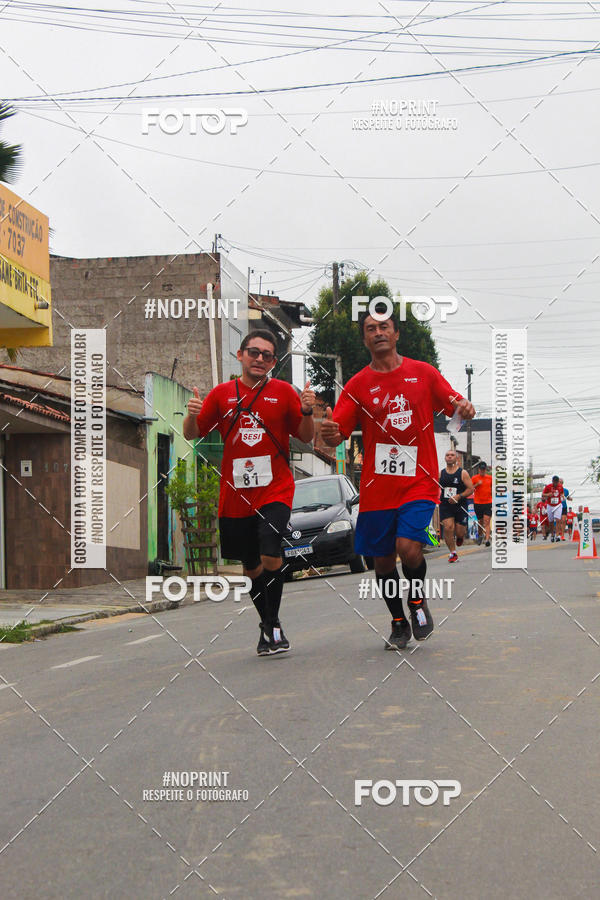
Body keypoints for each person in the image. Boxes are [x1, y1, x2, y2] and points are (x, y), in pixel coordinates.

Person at [320, 307, 475, 650]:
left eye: (384, 327)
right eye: (370, 328)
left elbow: (456, 405)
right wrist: (329, 432)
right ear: (365, 338)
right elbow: (337, 433)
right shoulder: (357, 384)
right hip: (377, 487)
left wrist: (464, 407)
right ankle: (397, 620)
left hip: (418, 482)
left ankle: (417, 601)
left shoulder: (423, 373)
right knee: (382, 560)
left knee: (408, 547)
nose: (378, 332)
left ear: (396, 334)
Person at [183, 329, 316, 656]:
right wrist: (190, 412)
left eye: (267, 355)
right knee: (251, 565)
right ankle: (270, 626)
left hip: (276, 489)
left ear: (273, 362)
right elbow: (193, 433)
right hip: (236, 495)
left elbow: (305, 436)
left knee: (272, 551)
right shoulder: (221, 394)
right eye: (254, 353)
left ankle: (271, 626)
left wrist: (309, 411)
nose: (259, 359)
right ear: (241, 355)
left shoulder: (284, 393)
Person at [439, 450, 474, 563]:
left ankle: (460, 537)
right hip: (445, 505)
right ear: (445, 458)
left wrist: (459, 496)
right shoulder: (441, 473)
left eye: (452, 455)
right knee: (448, 527)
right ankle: (452, 553)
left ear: (456, 458)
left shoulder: (462, 473)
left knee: (460, 532)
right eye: (447, 455)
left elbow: (470, 489)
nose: (449, 457)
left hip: (460, 506)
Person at [471, 460, 493, 547]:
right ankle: (480, 535)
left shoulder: (490, 478)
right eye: (481, 469)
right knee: (480, 522)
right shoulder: (474, 478)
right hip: (478, 503)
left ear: (485, 469)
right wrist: (476, 484)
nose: (482, 471)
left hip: (488, 502)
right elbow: (470, 488)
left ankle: (487, 540)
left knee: (487, 521)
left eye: (484, 469)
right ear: (479, 469)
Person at [541, 475, 564, 543]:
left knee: (558, 520)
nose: (556, 484)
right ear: (552, 481)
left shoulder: (560, 486)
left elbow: (562, 493)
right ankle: (552, 535)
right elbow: (543, 494)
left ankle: (557, 535)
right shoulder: (548, 487)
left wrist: (562, 496)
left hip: (558, 505)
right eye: (554, 482)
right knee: (550, 521)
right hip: (550, 505)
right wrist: (548, 495)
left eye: (557, 483)